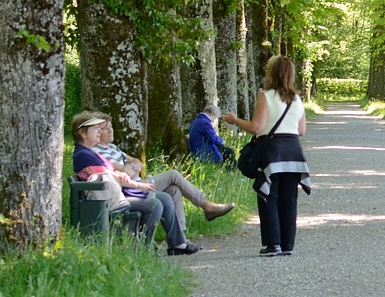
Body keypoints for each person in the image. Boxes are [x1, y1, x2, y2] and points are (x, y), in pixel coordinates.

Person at [70, 111, 200, 256]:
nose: (100, 131)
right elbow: (114, 175)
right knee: (156, 202)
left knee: (165, 196)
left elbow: (123, 170)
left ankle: (170, 243)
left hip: (114, 195)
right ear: (83, 133)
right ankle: (144, 247)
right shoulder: (84, 154)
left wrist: (130, 174)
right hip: (109, 200)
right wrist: (139, 185)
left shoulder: (91, 152)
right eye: (96, 128)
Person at [222, 55, 311, 257]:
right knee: (289, 199)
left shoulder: (265, 95)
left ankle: (273, 244)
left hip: (273, 152)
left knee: (269, 196)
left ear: (272, 73)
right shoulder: (296, 99)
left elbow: (256, 127)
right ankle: (288, 244)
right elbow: (302, 130)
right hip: (294, 153)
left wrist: (236, 120)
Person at [94, 118, 234, 236]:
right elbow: (126, 173)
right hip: (132, 189)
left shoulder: (112, 148)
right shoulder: (98, 152)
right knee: (173, 174)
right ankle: (207, 206)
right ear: (98, 133)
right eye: (105, 128)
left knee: (174, 190)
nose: (110, 130)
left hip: (139, 182)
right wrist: (131, 168)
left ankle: (180, 238)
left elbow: (138, 162)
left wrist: (132, 166)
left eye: (111, 126)